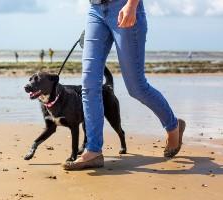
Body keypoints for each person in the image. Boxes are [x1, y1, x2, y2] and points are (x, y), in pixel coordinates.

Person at [63, 0, 186, 170]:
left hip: (123, 5)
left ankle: (173, 126)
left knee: (137, 87)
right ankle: (93, 151)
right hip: (95, 10)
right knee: (89, 84)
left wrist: (132, 4)